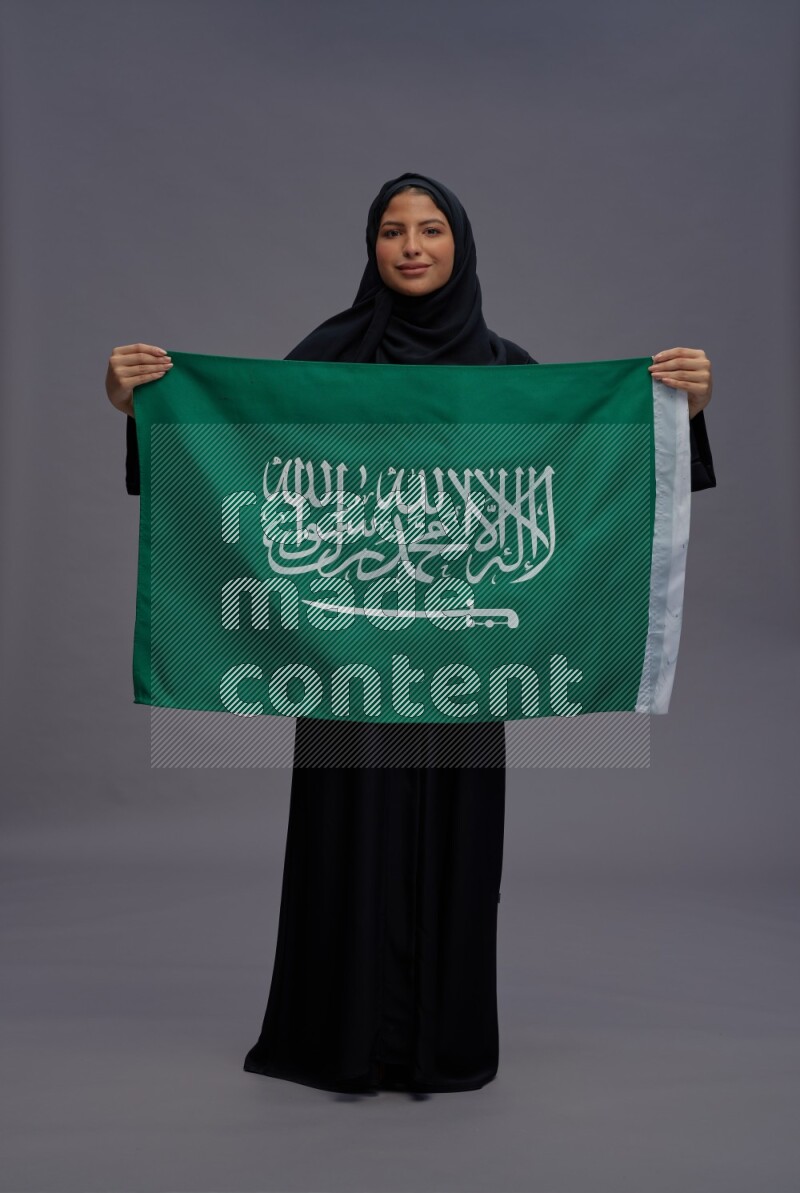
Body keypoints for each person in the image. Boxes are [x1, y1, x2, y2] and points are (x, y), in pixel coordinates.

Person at [106, 172, 715, 1097]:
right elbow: (236, 456)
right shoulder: (327, 362)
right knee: (344, 845)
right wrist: (139, 403)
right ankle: (338, 1041)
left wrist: (677, 413)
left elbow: (599, 469)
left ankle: (442, 1044)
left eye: (431, 229)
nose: (412, 246)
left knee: (457, 848)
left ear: (460, 245)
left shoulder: (508, 376)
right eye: (393, 231)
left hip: (468, 666)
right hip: (345, 663)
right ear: (372, 247)